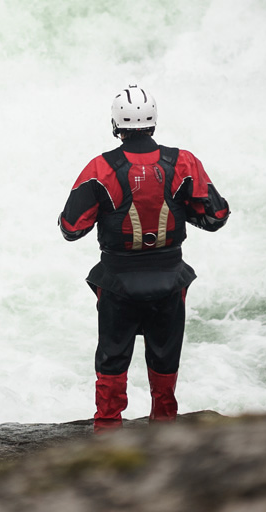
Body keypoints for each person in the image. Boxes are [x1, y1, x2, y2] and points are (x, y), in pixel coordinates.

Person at [58, 85, 230, 433]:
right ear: (153, 122)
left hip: (117, 282)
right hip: (170, 279)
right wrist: (181, 210)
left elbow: (71, 228)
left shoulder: (100, 168)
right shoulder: (183, 162)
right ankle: (163, 427)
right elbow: (217, 217)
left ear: (115, 124)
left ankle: (108, 430)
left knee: (112, 356)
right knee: (165, 356)